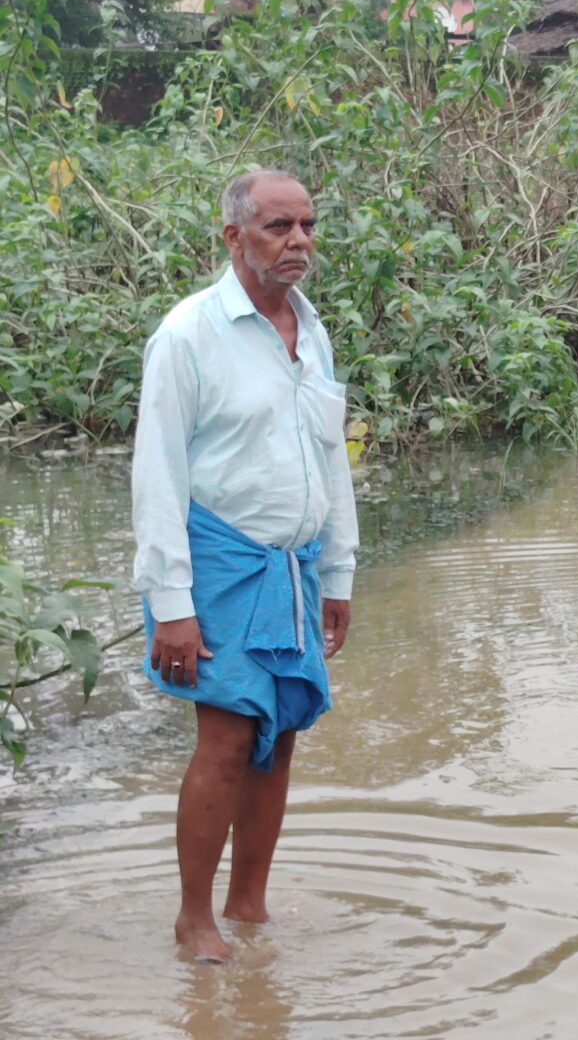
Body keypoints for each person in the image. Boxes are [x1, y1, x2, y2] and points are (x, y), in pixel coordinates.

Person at [132, 170, 358, 964]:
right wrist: (171, 603)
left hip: (293, 566)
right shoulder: (189, 334)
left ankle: (248, 903)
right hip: (217, 563)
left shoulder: (311, 328)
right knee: (227, 739)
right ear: (234, 238)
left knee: (283, 729)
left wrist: (338, 574)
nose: (298, 241)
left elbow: (329, 455)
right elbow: (155, 473)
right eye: (276, 227)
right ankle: (195, 918)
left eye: (306, 225)